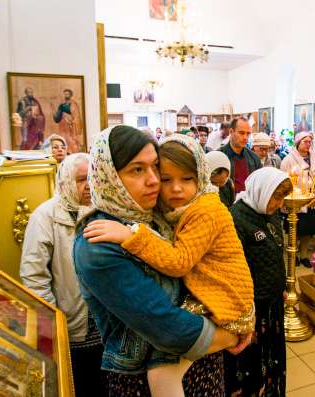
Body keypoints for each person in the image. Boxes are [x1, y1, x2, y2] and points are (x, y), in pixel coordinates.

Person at [74, 125, 248, 396]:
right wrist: (231, 333)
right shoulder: (99, 243)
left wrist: (238, 311)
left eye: (155, 167)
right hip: (147, 378)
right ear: (109, 177)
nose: (155, 180)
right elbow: (168, 328)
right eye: (137, 170)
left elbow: (216, 266)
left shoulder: (156, 214)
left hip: (200, 362)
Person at [19, 153, 104, 397]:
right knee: (78, 385)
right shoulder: (45, 216)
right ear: (66, 180)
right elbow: (34, 276)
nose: (89, 185)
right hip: (71, 328)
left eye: (92, 178)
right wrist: (54, 325)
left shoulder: (102, 211)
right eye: (80, 179)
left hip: (105, 327)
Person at [225, 168, 292, 397]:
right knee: (251, 361)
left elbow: (275, 252)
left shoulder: (269, 212)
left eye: (282, 198)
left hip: (272, 300)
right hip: (251, 306)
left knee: (270, 354)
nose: (279, 203)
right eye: (276, 196)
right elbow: (235, 269)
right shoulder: (236, 218)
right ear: (262, 190)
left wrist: (280, 285)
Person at [280, 132, 315, 266]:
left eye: (310, 142)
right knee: (295, 230)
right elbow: (284, 180)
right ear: (298, 143)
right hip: (296, 200)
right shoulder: (289, 160)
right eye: (305, 142)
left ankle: (304, 255)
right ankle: (293, 254)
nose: (308, 144)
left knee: (309, 231)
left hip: (311, 199)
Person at [219, 117, 262, 194]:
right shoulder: (219, 156)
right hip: (226, 204)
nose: (245, 137)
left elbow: (259, 185)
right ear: (231, 132)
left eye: (248, 134)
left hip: (249, 203)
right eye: (241, 133)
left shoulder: (254, 158)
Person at [52, 89, 83, 153]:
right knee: (63, 138)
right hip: (62, 125)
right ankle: (65, 151)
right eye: (65, 94)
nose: (66, 95)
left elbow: (76, 115)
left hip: (70, 125)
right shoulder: (62, 104)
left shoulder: (73, 104)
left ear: (70, 95)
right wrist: (53, 110)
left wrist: (71, 120)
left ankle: (72, 152)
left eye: (67, 94)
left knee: (71, 139)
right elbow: (58, 115)